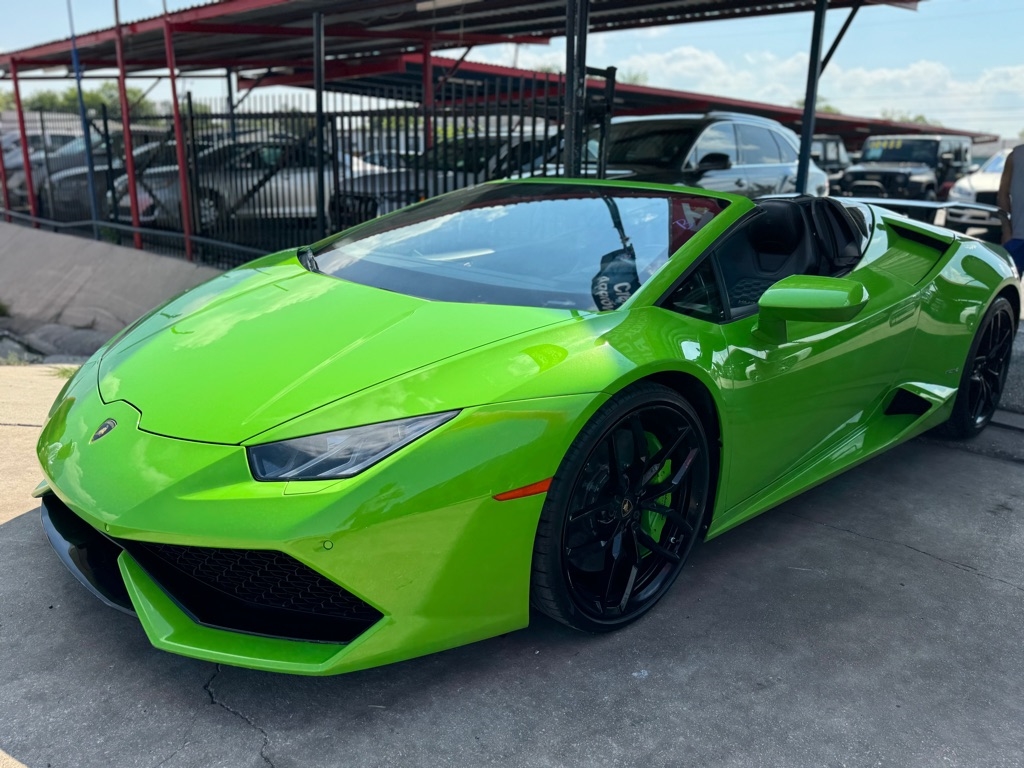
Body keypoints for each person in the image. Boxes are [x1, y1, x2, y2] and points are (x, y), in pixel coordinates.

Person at [996, 143, 1024, 276]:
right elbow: (1002, 194)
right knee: (1010, 288)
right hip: (1018, 236)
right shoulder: (1016, 156)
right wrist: (1006, 230)